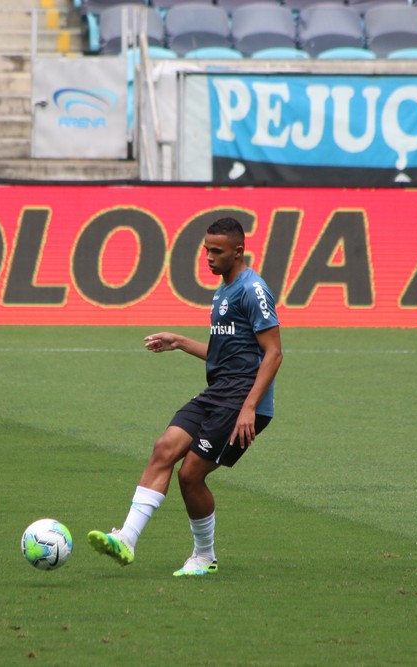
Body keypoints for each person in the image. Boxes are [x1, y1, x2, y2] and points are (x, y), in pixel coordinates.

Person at [87, 216, 283, 576]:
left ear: (238, 252)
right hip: (218, 391)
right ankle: (126, 538)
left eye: (217, 251)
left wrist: (249, 409)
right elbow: (224, 352)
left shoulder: (252, 290)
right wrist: (178, 341)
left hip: (241, 399)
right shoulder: (223, 289)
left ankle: (205, 557)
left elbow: (274, 353)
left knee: (190, 474)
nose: (208, 257)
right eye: (206, 250)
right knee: (165, 447)